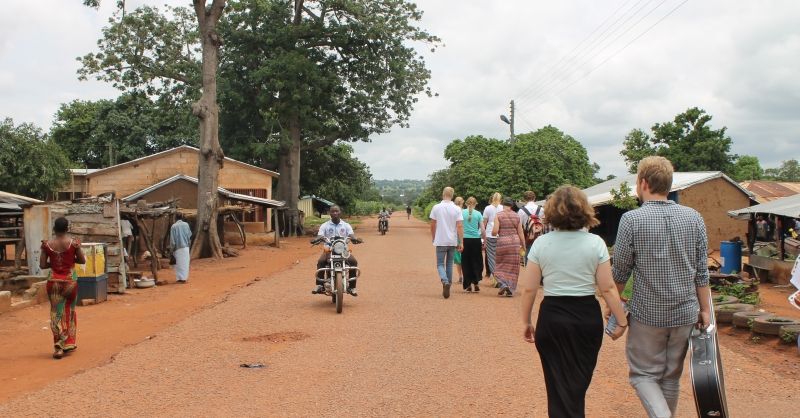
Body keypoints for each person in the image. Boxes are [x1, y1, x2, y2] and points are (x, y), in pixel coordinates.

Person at [612, 156, 711, 418]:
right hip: (685, 313)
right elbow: (702, 272)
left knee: (643, 375)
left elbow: (620, 271)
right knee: (670, 377)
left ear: (643, 183)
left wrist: (613, 305)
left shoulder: (631, 220)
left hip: (648, 315)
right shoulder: (694, 218)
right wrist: (706, 310)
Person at [519, 185, 627, 417]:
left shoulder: (541, 244)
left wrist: (526, 321)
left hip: (552, 317)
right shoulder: (595, 243)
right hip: (586, 317)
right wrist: (621, 320)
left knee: (557, 385)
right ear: (584, 210)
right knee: (577, 384)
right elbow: (607, 288)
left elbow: (529, 289)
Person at [40, 217, 86, 359]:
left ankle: (58, 346)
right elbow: (82, 260)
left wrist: (53, 264)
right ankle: (67, 343)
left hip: (53, 282)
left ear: (54, 229)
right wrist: (72, 259)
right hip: (70, 281)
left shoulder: (46, 244)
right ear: (67, 229)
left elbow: (42, 265)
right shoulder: (74, 244)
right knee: (69, 312)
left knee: (55, 313)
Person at [314, 205, 362, 296]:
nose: (335, 213)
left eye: (337, 211)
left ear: (340, 212)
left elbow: (351, 235)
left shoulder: (346, 225)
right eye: (333, 211)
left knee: (353, 262)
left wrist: (355, 239)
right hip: (328, 249)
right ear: (330, 213)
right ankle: (319, 285)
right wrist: (317, 239)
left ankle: (352, 287)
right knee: (321, 262)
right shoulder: (325, 225)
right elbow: (320, 235)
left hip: (343, 250)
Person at [430, 187, 464, 299]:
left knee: (440, 264)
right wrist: (461, 241)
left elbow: (433, 224)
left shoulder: (436, 207)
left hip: (440, 239)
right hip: (452, 240)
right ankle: (448, 282)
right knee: (449, 264)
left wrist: (434, 237)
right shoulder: (457, 209)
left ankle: (445, 281)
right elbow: (459, 226)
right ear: (452, 195)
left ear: (443, 194)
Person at [491, 197, 526, 296]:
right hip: (515, 243)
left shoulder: (498, 215)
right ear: (512, 205)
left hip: (503, 242)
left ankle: (503, 284)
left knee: (500, 264)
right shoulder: (516, 216)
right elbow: (521, 232)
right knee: (512, 266)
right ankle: (510, 287)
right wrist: (523, 245)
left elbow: (494, 232)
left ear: (503, 204)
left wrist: (494, 233)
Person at [461, 196, 484, 292]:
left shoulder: (461, 213)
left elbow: (458, 227)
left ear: (466, 203)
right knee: (477, 261)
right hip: (476, 240)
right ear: (475, 204)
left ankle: (468, 284)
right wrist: (484, 240)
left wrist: (458, 241)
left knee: (466, 262)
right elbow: (483, 229)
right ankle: (476, 282)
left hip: (465, 239)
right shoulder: (478, 214)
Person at [517, 190, 542, 264]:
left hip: (527, 237)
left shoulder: (521, 211)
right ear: (534, 198)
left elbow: (519, 226)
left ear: (524, 199)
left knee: (528, 257)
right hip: (540, 236)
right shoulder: (541, 209)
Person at [483, 192, 503, 280]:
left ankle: (491, 273)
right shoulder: (502, 207)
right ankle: (499, 273)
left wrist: (482, 235)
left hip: (490, 233)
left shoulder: (487, 208)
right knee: (499, 255)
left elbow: (484, 222)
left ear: (492, 199)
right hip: (500, 233)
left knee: (489, 255)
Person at [169, 213, 193, 284]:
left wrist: (171, 249)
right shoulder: (186, 225)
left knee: (178, 264)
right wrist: (189, 244)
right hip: (186, 247)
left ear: (175, 218)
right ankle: (184, 278)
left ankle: (180, 278)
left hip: (178, 248)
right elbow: (189, 236)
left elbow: (172, 240)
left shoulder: (173, 226)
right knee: (185, 263)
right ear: (182, 217)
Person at [453, 197, 465, 284]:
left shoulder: (453, 211)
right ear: (462, 203)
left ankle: (460, 276)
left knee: (457, 257)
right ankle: (465, 275)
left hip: (455, 235)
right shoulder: (465, 211)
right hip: (465, 235)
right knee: (464, 256)